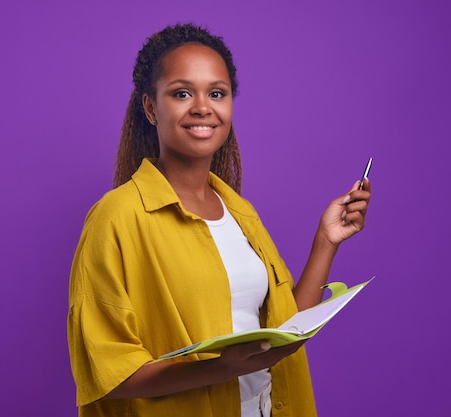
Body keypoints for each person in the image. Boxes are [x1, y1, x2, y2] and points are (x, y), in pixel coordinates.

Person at [67, 23, 372, 417]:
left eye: (216, 93)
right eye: (181, 93)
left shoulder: (241, 214)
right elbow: (104, 374)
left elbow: (284, 336)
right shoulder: (116, 218)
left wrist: (326, 241)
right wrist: (218, 369)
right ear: (150, 107)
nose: (202, 107)